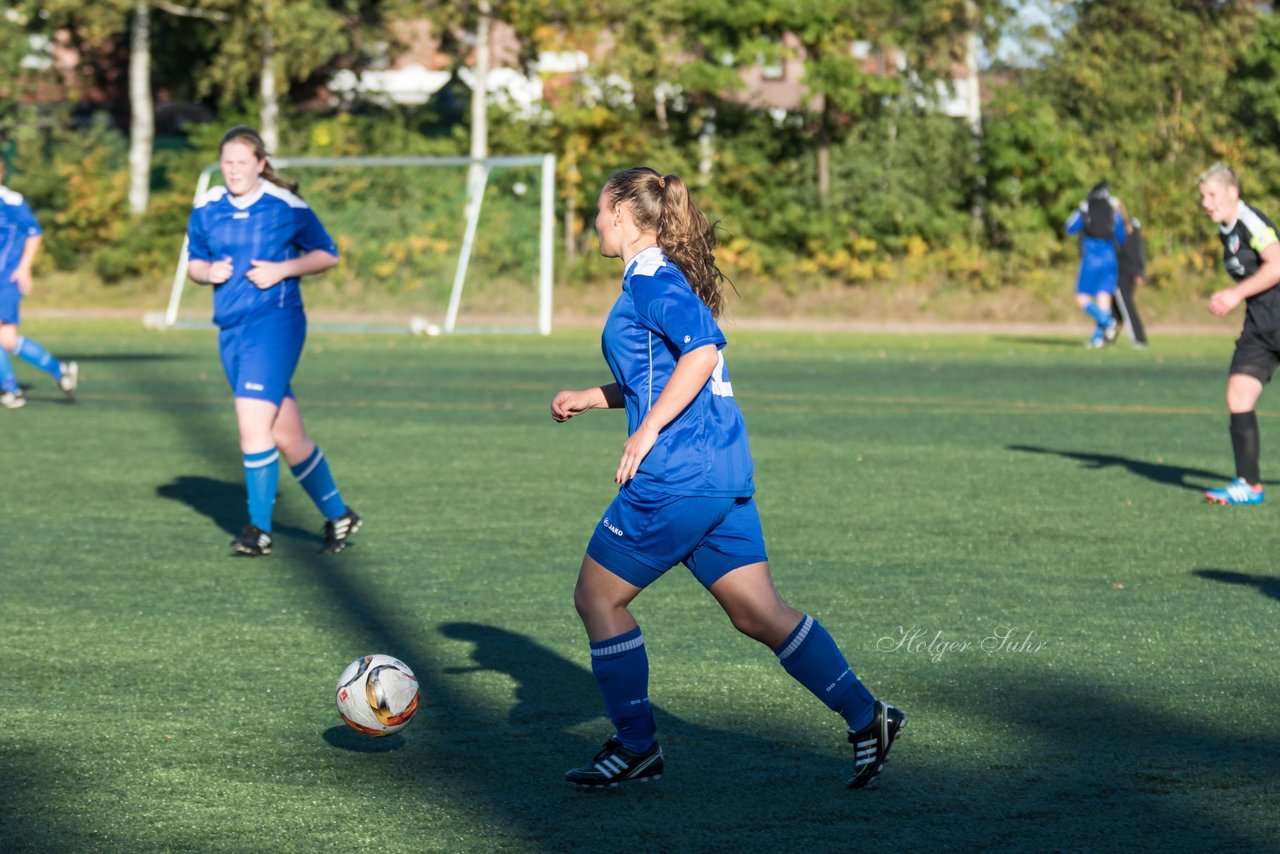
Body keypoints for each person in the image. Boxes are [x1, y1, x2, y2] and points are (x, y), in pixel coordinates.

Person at [549, 167, 904, 791]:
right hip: (721, 474)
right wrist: (596, 397)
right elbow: (661, 372)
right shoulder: (659, 279)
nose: (595, 223)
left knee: (597, 599)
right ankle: (866, 716)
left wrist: (647, 429)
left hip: (677, 476)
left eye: (601, 211)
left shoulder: (652, 281)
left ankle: (637, 748)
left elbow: (703, 352)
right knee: (758, 612)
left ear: (626, 218)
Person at [185, 126, 361, 554]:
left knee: (251, 425)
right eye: (227, 162)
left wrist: (282, 270)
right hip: (231, 329)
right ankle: (340, 517)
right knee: (286, 436)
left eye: (242, 162)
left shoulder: (285, 206)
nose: (234, 170)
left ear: (260, 164)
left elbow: (327, 254)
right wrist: (207, 273)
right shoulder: (207, 207)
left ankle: (258, 531)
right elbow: (194, 263)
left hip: (275, 323)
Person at [1200, 162, 1280, 506]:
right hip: (1260, 327)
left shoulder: (1251, 221)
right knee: (1238, 396)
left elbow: (1277, 264)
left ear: (1232, 193)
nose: (1206, 202)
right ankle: (1249, 485)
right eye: (1203, 196)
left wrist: (1235, 293)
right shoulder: (1227, 229)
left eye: (1212, 195)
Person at [0, 157, 78, 409]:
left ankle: (10, 390)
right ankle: (61, 372)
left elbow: (34, 233)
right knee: (7, 340)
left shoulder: (11, 201)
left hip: (6, 279)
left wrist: (24, 268)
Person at [1065, 181, 1127, 348]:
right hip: (1110, 258)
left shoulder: (1086, 208)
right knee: (1103, 297)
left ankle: (1107, 322)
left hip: (1091, 258)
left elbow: (1069, 227)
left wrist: (1080, 210)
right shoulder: (1113, 211)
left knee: (1082, 297)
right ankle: (1098, 339)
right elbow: (1121, 237)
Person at [1113, 204, 1149, 348]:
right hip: (1125, 271)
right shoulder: (1129, 228)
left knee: (1125, 306)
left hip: (1123, 272)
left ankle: (1138, 339)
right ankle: (1107, 336)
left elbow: (1135, 251)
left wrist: (1139, 271)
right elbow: (1140, 251)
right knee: (1114, 308)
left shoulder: (1123, 230)